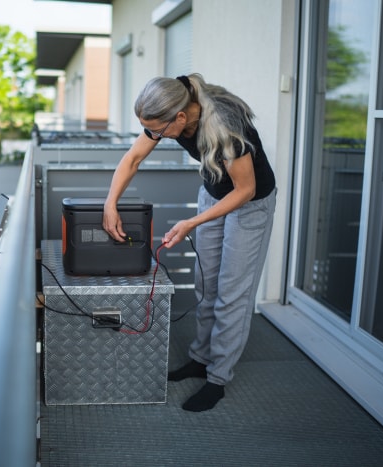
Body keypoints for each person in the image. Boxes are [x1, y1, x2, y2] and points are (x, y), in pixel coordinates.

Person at [103, 74, 276, 412]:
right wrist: (110, 203)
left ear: (180, 118)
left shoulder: (225, 124)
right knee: (205, 284)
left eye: (156, 130)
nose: (153, 137)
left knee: (231, 294)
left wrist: (190, 223)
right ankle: (200, 358)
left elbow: (246, 190)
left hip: (249, 205)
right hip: (213, 194)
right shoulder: (175, 107)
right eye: (147, 129)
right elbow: (133, 159)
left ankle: (217, 378)